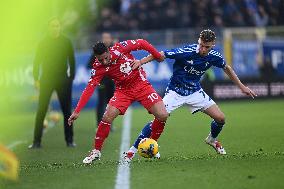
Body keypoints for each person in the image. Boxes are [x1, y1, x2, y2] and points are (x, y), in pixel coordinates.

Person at [124, 29, 257, 161]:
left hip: (195, 91)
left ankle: (211, 140)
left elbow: (226, 68)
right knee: (159, 117)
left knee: (221, 118)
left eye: (207, 47)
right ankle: (132, 151)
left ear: (212, 45)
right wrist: (140, 62)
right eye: (201, 45)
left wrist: (242, 87)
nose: (203, 49)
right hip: (175, 91)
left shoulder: (214, 56)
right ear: (198, 41)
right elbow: (161, 55)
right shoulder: (186, 51)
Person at [68, 39, 169, 164]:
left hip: (141, 85)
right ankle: (96, 152)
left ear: (108, 51)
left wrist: (157, 55)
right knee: (107, 116)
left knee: (162, 115)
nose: (104, 62)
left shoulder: (120, 48)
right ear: (96, 58)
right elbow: (89, 88)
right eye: (100, 60)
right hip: (123, 91)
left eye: (106, 58)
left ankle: (152, 144)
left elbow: (142, 43)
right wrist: (77, 111)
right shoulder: (98, 67)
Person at [29, 18, 76, 149]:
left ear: (60, 27)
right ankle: (36, 141)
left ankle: (70, 140)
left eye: (57, 25)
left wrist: (71, 78)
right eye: (52, 26)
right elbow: (37, 61)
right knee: (41, 110)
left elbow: (72, 60)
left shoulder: (66, 42)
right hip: (46, 80)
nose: (55, 28)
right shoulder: (43, 43)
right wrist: (36, 78)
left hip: (63, 80)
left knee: (67, 111)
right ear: (49, 28)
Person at [86, 32, 115, 129]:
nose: (106, 39)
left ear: (111, 39)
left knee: (111, 104)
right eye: (104, 38)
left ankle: (109, 124)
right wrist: (99, 67)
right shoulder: (97, 51)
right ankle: (99, 124)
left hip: (112, 81)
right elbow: (89, 65)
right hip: (102, 81)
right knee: (101, 103)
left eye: (108, 37)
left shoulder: (114, 49)